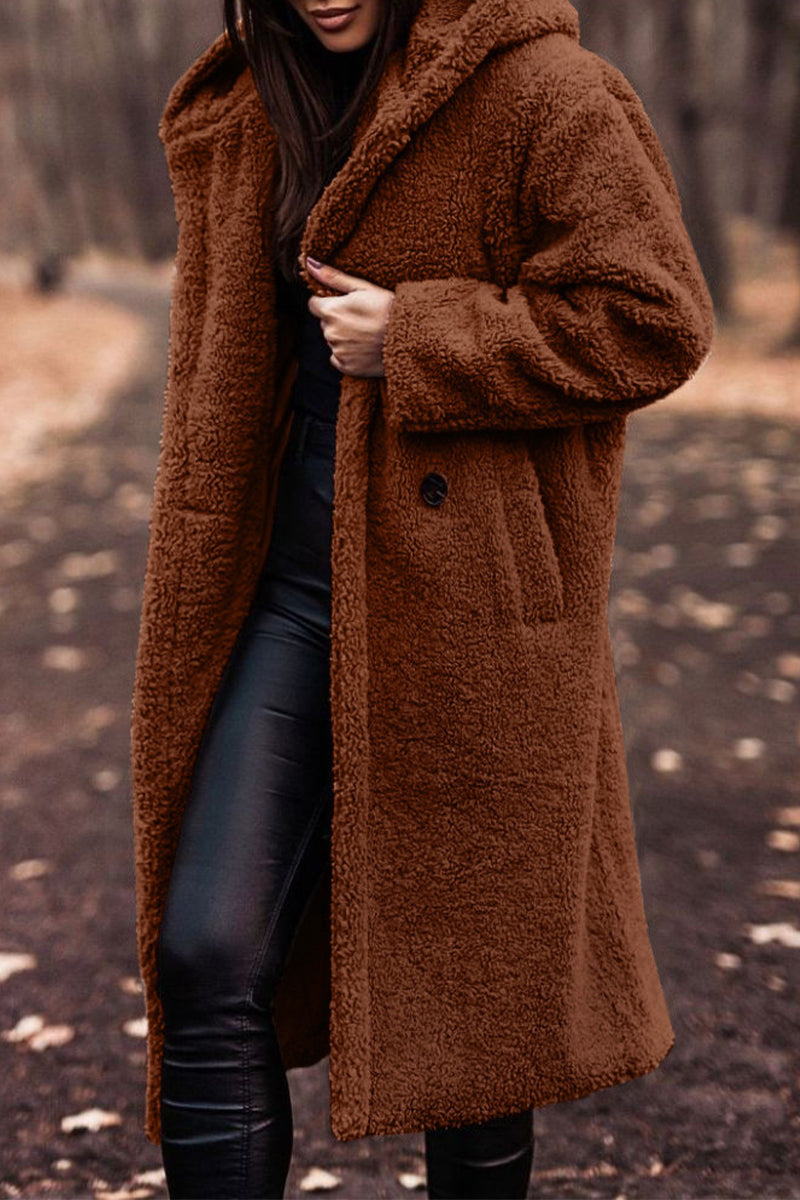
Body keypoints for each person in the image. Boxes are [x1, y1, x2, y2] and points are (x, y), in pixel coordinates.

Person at [131, 0, 714, 1197]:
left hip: (473, 609)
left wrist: (424, 336)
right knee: (204, 955)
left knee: (481, 1021)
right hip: (288, 594)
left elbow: (654, 317)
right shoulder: (253, 103)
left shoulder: (542, 90)